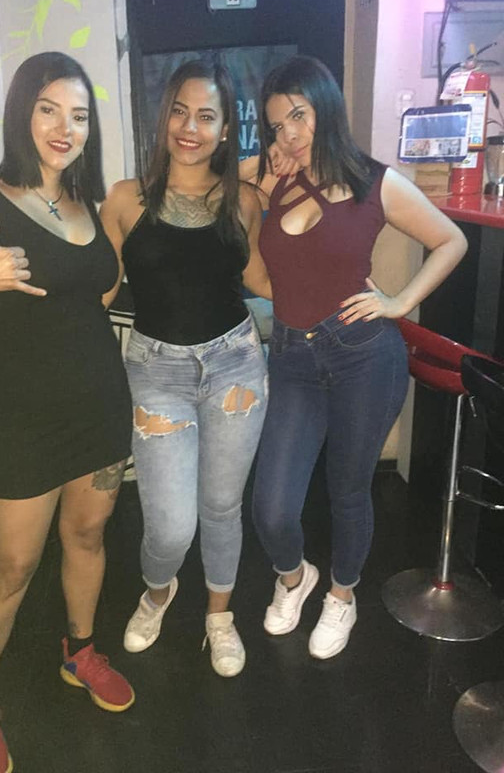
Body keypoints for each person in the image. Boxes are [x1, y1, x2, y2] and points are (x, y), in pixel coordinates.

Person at [0, 52, 135, 773]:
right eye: (49, 109)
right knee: (11, 567)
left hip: (100, 407)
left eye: (78, 116)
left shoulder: (84, 202)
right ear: (22, 111)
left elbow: (95, 294)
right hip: (22, 417)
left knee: (88, 535)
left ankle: (79, 649)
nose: (64, 127)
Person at [242, 55, 467, 659]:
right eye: (277, 124)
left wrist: (399, 302)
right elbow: (208, 178)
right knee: (272, 505)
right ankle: (295, 578)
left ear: (325, 105)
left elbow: (451, 240)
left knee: (348, 489)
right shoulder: (271, 174)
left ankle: (342, 594)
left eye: (299, 115)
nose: (290, 133)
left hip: (363, 356)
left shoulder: (375, 181)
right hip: (292, 358)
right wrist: (265, 165)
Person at [100, 59, 270, 677]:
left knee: (222, 507)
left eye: (205, 116)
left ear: (226, 129)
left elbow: (258, 277)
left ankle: (219, 616)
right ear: (164, 118)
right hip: (156, 371)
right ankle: (158, 591)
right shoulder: (125, 199)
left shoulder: (243, 201)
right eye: (179, 112)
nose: (190, 128)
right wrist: (25, 325)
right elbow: (98, 290)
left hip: (235, 364)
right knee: (170, 526)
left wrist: (338, 297)